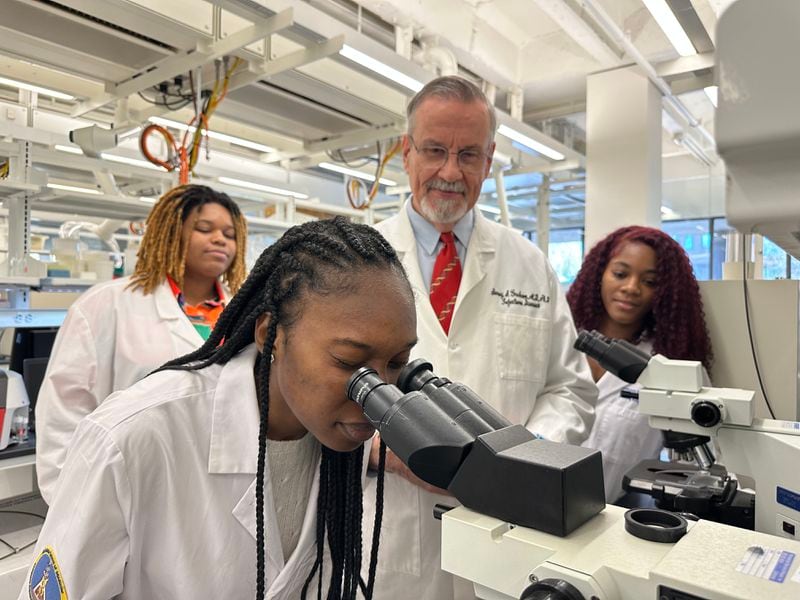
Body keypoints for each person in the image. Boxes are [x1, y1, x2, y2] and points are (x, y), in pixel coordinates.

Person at [21, 217, 417, 600]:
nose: (377, 393)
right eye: (349, 362)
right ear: (270, 335)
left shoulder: (342, 428)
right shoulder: (131, 437)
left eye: (397, 363)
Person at [365, 75, 597, 600]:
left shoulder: (529, 264)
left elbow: (571, 388)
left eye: (469, 155)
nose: (450, 172)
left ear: (489, 162)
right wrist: (380, 452)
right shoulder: (356, 256)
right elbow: (315, 392)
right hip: (391, 532)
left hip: (510, 534)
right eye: (435, 150)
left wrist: (528, 455)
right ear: (406, 152)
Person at [35, 184, 248, 504]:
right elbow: (63, 409)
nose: (220, 239)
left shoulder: (246, 314)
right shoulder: (108, 303)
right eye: (204, 228)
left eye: (229, 234)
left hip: (223, 488)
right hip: (130, 484)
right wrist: (70, 501)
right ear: (171, 232)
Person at [567, 225, 713, 503]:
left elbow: (702, 469)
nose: (631, 288)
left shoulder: (673, 370)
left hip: (606, 520)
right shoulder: (559, 344)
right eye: (620, 274)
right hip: (527, 502)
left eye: (650, 282)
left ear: (665, 293)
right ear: (599, 275)